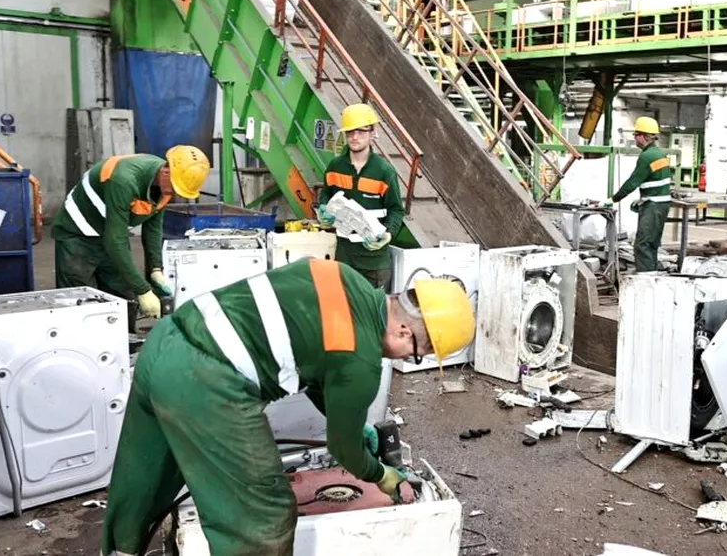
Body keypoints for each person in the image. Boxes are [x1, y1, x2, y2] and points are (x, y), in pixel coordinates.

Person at [100, 258, 475, 556]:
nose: (409, 361)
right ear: (403, 332)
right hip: (205, 382)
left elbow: (315, 367)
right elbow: (343, 450)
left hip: (164, 344)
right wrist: (379, 473)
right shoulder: (362, 364)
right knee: (264, 516)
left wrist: (348, 421)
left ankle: (121, 550)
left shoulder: (343, 277)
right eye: (417, 354)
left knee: (147, 470)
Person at [53, 146, 210, 320]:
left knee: (124, 297)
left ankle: (125, 344)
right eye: (174, 189)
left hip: (109, 230)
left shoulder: (164, 183)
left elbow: (153, 228)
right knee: (79, 302)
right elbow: (116, 241)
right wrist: (142, 289)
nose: (173, 194)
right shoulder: (123, 180)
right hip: (77, 235)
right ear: (165, 172)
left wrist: (155, 269)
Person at [317, 103, 406, 291]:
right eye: (350, 132)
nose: (354, 137)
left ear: (372, 134)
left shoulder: (384, 171)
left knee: (375, 313)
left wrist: (388, 234)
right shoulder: (335, 166)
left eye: (361, 131)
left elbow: (396, 210)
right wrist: (323, 208)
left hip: (374, 262)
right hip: (344, 257)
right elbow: (326, 193)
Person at [601, 116, 672, 273]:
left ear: (642, 136)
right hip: (660, 205)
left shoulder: (647, 156)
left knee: (642, 245)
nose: (634, 138)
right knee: (652, 243)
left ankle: (645, 280)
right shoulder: (659, 154)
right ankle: (652, 276)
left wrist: (612, 199)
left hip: (653, 206)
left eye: (635, 135)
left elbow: (632, 182)